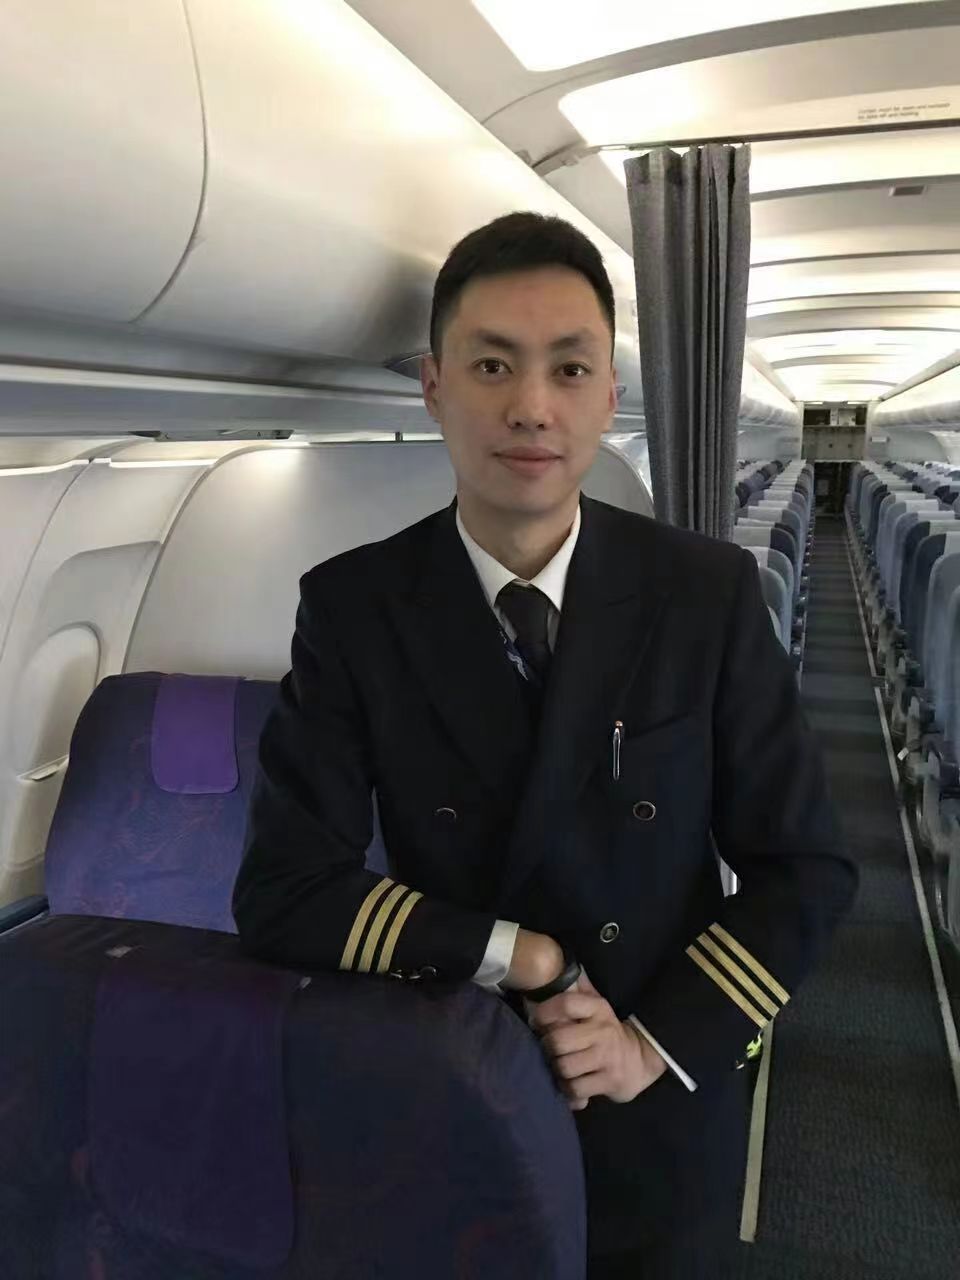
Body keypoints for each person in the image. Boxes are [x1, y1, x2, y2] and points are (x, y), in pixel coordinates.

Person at [233, 211, 856, 1278]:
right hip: (454, 1081)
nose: (531, 406)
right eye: (492, 365)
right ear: (435, 388)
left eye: (569, 368)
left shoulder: (704, 594)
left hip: (653, 1093)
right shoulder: (354, 607)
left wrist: (650, 1042)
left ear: (609, 395)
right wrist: (525, 954)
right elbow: (286, 889)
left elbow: (807, 866)